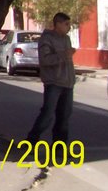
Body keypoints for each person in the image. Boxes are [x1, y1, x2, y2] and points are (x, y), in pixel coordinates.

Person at [25, 12, 76, 145]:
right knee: (47, 114)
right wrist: (64, 55)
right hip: (53, 82)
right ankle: (32, 141)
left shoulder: (66, 39)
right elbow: (46, 60)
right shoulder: (47, 39)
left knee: (64, 116)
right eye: (66, 24)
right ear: (58, 24)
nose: (69, 27)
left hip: (67, 83)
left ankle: (60, 146)